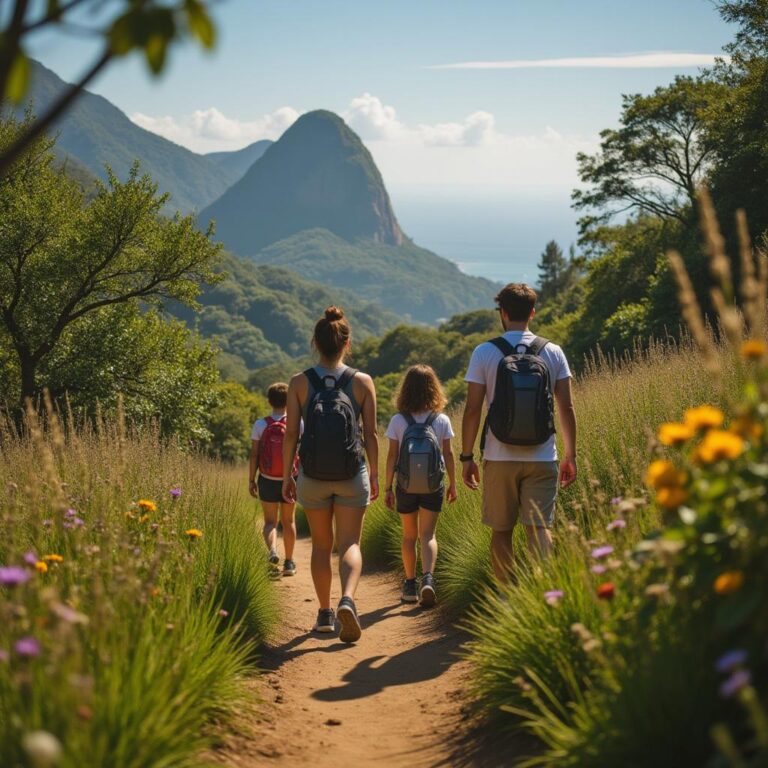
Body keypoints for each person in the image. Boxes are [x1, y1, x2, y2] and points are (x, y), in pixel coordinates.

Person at [460, 283, 577, 582]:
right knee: (539, 530)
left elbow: (473, 409)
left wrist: (467, 456)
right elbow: (566, 409)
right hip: (543, 455)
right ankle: (543, 594)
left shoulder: (484, 352)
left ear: (503, 312)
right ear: (533, 313)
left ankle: (506, 599)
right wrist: (570, 455)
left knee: (501, 532)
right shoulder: (553, 352)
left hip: (499, 457)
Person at [282, 307, 379, 643]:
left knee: (322, 546)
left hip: (312, 475)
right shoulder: (363, 382)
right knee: (350, 542)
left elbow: (291, 435)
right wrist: (377, 475)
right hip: (352, 473)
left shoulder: (298, 383)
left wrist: (286, 478)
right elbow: (371, 435)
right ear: (346, 343)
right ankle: (347, 600)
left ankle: (324, 613)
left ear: (316, 342)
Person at [384, 364, 457, 607]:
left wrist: (387, 487)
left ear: (406, 390)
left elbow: (392, 457)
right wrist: (453, 484)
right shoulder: (442, 420)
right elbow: (448, 455)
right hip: (433, 485)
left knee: (409, 536)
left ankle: (409, 585)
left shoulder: (398, 420)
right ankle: (428, 578)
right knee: (428, 535)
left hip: (405, 486)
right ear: (434, 388)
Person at [248, 382, 299, 577]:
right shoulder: (297, 423)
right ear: (288, 402)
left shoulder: (260, 424)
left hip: (267, 479)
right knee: (289, 521)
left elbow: (254, 455)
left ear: (269, 401)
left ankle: (272, 552)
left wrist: (251, 480)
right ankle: (289, 563)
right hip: (290, 479)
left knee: (270, 522)